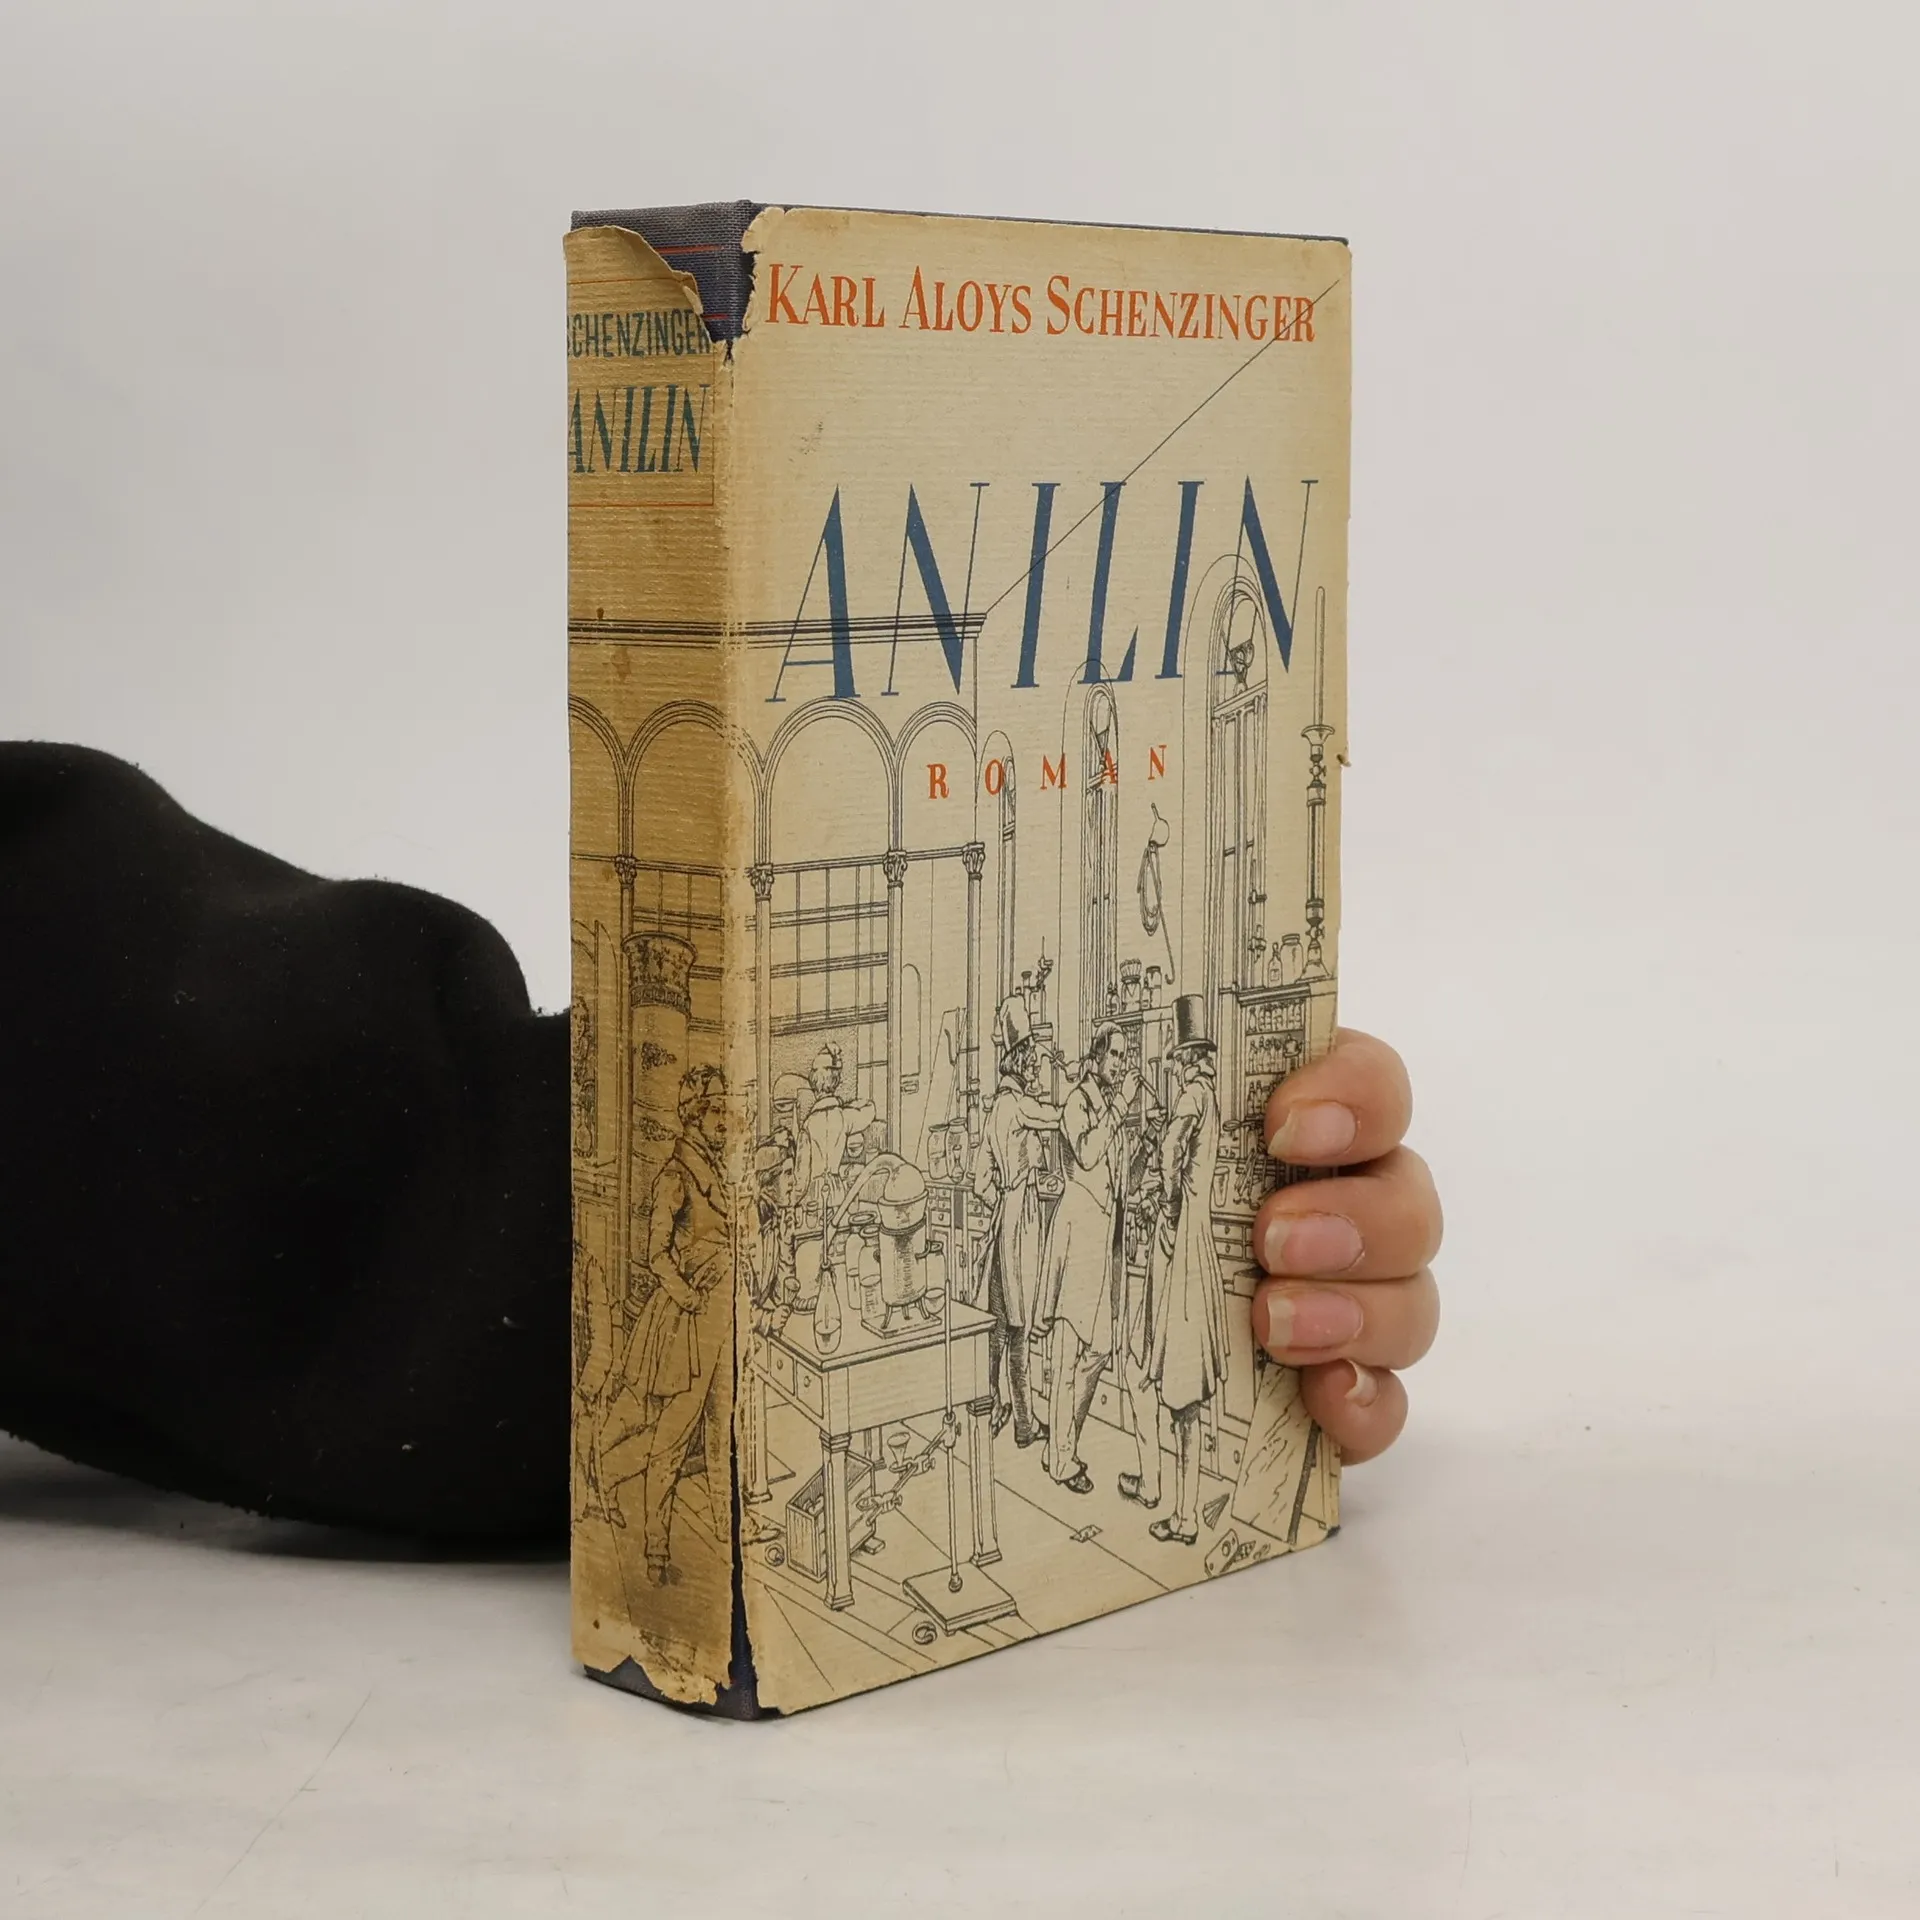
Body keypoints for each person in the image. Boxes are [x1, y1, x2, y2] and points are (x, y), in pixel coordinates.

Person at [596, 1064, 736, 1585]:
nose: (723, 1119)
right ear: (694, 1116)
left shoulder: (716, 1170)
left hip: (721, 1320)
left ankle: (724, 1527)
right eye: (714, 1110)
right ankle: (655, 1549)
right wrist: (690, 1295)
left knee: (722, 1429)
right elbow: (655, 1254)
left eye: (724, 1110)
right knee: (671, 1441)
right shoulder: (676, 1176)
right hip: (688, 1326)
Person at [1039, 1023, 1151, 1493]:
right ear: (1096, 1057)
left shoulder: (1108, 1106)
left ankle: (1060, 1441)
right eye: (1116, 1055)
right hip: (1076, 1238)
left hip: (1104, 1244)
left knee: (1101, 1347)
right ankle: (1061, 1459)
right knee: (1067, 1354)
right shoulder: (1078, 1102)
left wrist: (1147, 1147)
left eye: (1125, 1056)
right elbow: (1086, 1154)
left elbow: (1122, 1179)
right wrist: (1122, 1106)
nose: (1122, 1064)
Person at [1141, 996, 1229, 1544]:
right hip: (1200, 1239)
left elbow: (1172, 1150)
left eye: (1177, 1059)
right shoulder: (1209, 1098)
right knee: (1187, 1395)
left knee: (1181, 1391)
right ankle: (1186, 1509)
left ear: (1188, 1058)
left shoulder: (1192, 1096)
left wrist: (1167, 1202)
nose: (1174, 1067)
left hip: (1185, 1245)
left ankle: (1186, 1516)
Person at [972, 996, 1063, 1448]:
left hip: (1006, 1219)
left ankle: (1000, 1410)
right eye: (1031, 1057)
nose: (1035, 1066)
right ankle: (1023, 1424)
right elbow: (1058, 1118)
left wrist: (1004, 1197)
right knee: (1018, 1327)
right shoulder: (1017, 1105)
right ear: (1019, 1059)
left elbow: (978, 1180)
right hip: (1021, 1223)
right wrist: (1021, 1194)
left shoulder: (996, 1109)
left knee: (1001, 1325)